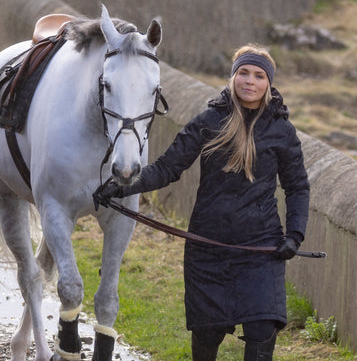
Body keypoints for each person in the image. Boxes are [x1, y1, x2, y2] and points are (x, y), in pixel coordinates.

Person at [94, 43, 310, 360]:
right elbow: (167, 168)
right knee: (207, 337)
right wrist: (120, 187)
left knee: (263, 332)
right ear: (234, 77)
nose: (250, 81)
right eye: (244, 73)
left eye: (259, 76)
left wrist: (295, 234)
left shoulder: (282, 131)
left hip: (260, 249)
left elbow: (298, 187)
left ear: (269, 84)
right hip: (207, 247)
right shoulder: (209, 120)